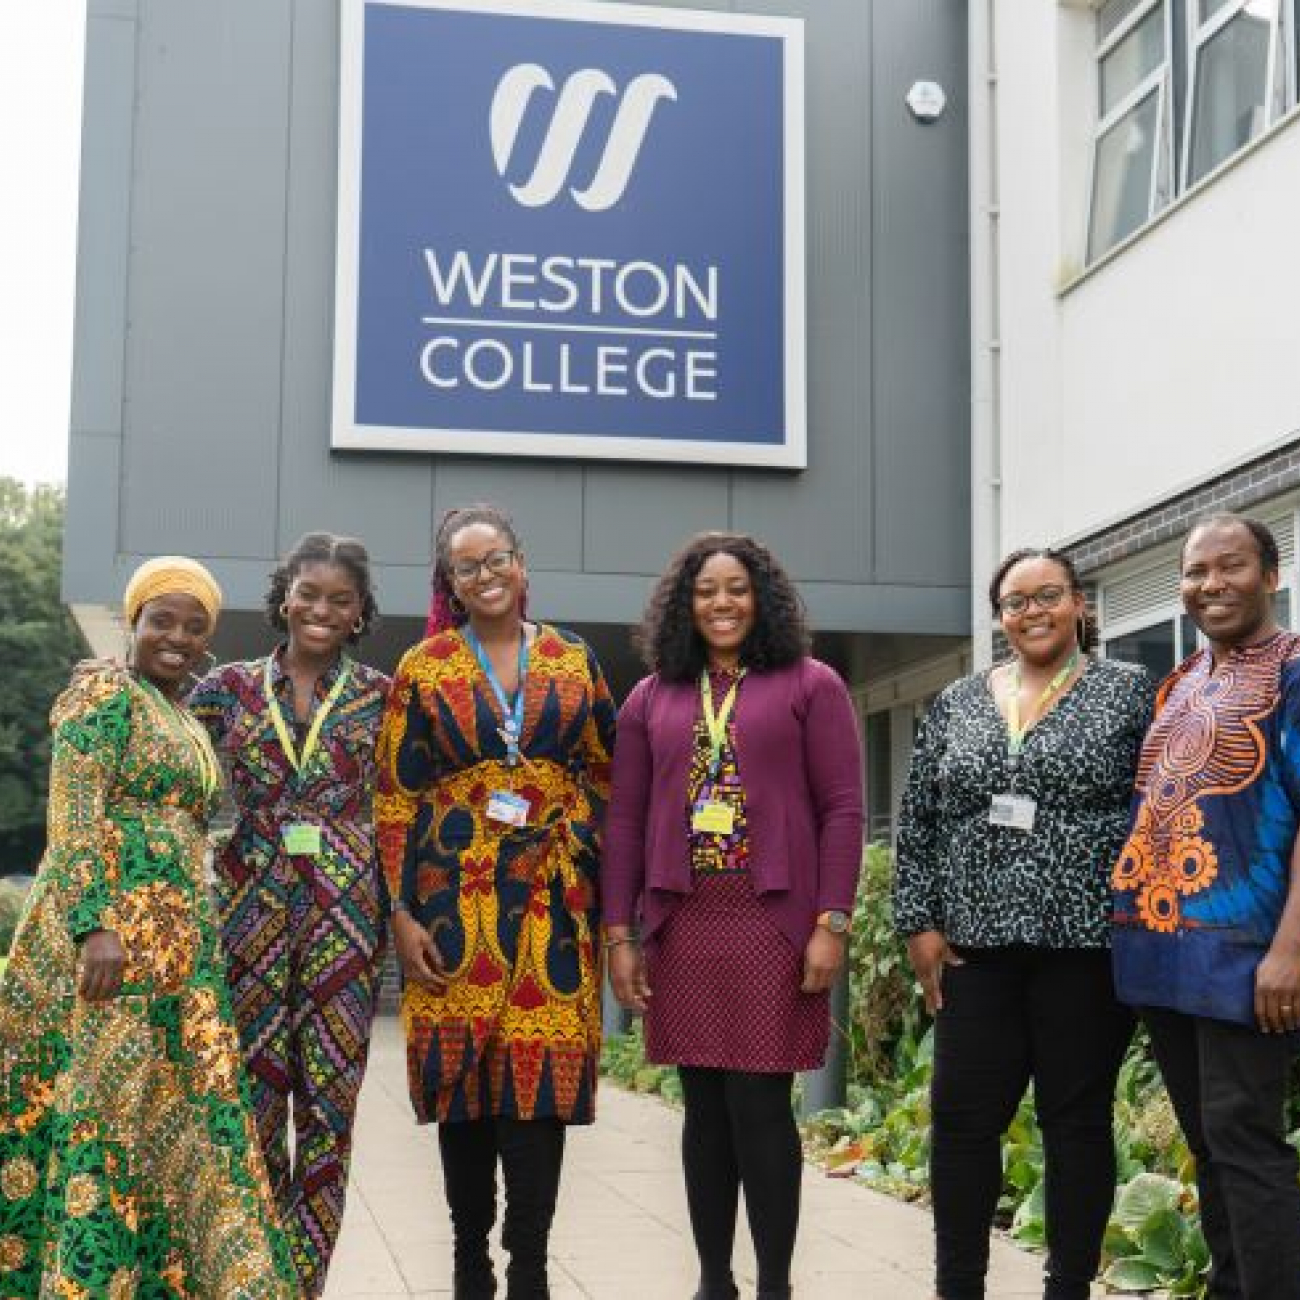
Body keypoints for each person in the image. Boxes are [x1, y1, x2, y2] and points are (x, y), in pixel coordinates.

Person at [0, 557, 297, 1299]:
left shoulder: (185, 715)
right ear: (132, 623)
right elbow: (73, 816)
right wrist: (93, 927)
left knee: (179, 1117)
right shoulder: (104, 694)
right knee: (107, 1110)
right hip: (112, 948)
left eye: (194, 626)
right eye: (161, 620)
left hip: (179, 954)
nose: (177, 636)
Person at [603, 531, 865, 1300]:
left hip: (771, 923)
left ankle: (775, 1284)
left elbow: (844, 809)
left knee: (760, 1105)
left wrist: (832, 921)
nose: (722, 603)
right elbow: (625, 820)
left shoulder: (812, 684)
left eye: (737, 588)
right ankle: (714, 1281)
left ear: (763, 599)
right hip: (683, 924)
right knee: (704, 1110)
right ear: (684, 605)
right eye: (706, 590)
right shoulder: (651, 697)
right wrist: (620, 934)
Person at [895, 546, 1154, 1300]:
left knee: (1075, 1122)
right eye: (1016, 601)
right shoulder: (959, 700)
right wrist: (919, 922)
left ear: (1079, 604)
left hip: (1085, 947)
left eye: (1047, 596)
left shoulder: (1130, 691)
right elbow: (920, 817)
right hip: (974, 952)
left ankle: (1067, 1286)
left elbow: (1157, 811)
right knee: (961, 1122)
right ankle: (958, 1287)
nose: (1032, 611)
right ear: (999, 617)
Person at [375, 504, 616, 1300]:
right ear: (449, 582)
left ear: (520, 562)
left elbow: (611, 771)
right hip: (454, 903)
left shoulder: (574, 658)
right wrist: (400, 913)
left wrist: (582, 842)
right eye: (467, 566)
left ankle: (531, 1268)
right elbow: (395, 797)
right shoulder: (425, 667)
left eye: (496, 559)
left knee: (538, 1089)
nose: (485, 576)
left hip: (552, 902)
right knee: (466, 1088)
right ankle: (469, 1260)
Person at [187, 531, 389, 1296]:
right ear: (284, 598)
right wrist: (112, 678)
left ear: (359, 612)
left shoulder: (382, 695)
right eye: (308, 594)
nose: (321, 610)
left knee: (329, 1115)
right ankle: (256, 1279)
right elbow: (160, 725)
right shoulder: (228, 688)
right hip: (250, 914)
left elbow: (416, 798)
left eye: (340, 600)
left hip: (345, 919)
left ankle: (304, 1284)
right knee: (254, 1109)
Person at [1112, 514, 1300, 1300]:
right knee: (1211, 1145)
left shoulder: (1294, 671)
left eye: (1231, 567)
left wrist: (1290, 950)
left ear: (1271, 576)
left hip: (1248, 956)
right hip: (1164, 954)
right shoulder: (1181, 681)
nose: (1211, 584)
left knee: (1244, 1142)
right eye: (1195, 572)